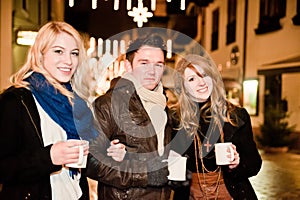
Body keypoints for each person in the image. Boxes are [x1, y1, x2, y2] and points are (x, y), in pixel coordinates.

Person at [0, 21, 91, 200]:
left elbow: (83, 164)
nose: (68, 61)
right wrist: (49, 157)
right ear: (40, 55)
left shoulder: (75, 102)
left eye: (74, 53)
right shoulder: (17, 100)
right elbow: (3, 168)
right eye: (58, 51)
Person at [86, 34, 174, 199]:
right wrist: (145, 175)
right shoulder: (108, 104)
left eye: (158, 64)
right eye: (144, 63)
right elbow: (91, 162)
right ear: (128, 66)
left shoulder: (162, 105)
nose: (152, 71)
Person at [171, 54, 262, 199]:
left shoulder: (236, 115)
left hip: (231, 193)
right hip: (191, 194)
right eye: (192, 79)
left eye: (205, 75)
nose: (201, 83)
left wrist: (237, 163)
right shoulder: (175, 118)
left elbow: (254, 163)